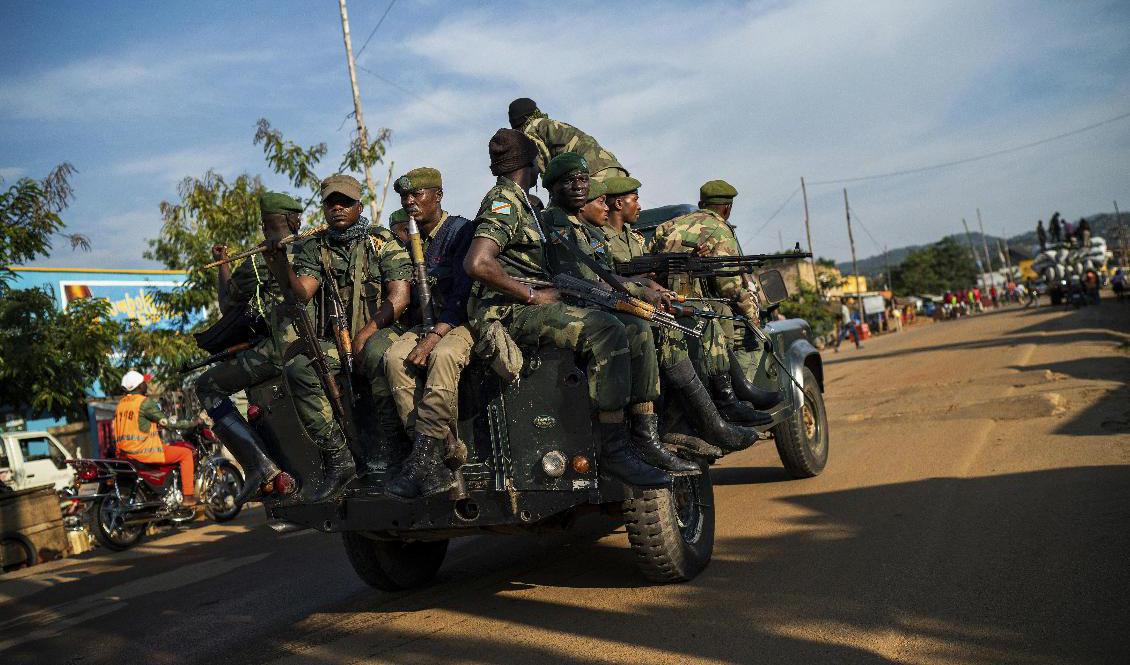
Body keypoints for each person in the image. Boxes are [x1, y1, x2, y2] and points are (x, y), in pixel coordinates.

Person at [463, 130, 671, 487]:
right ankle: (613, 451)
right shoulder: (504, 202)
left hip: (530, 303)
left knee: (634, 327)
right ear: (531, 163)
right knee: (605, 329)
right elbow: (478, 263)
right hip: (510, 311)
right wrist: (531, 294)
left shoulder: (523, 203)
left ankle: (641, 436)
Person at [538, 152, 703, 472]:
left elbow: (605, 276)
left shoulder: (579, 225)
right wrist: (638, 293)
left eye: (582, 180)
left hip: (593, 302)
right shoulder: (555, 223)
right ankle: (629, 437)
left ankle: (651, 428)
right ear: (552, 187)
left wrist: (644, 290)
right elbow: (576, 282)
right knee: (637, 330)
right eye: (569, 181)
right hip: (571, 307)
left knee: (655, 323)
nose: (579, 186)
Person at [264, 174, 413, 502]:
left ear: (359, 206)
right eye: (331, 202)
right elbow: (302, 292)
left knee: (376, 355)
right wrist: (280, 265)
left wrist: (366, 333)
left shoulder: (380, 241)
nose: (337, 208)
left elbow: (400, 297)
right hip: (338, 344)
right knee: (300, 368)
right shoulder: (315, 247)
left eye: (345, 202)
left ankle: (395, 453)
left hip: (384, 333)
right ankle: (339, 459)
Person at [194, 192, 303, 506]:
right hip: (323, 345)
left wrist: (224, 264)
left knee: (206, 385)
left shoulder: (258, 261)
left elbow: (228, 303)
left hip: (282, 350)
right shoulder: (316, 246)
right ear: (295, 220)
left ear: (264, 224)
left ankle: (259, 466)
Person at [380, 168, 477, 500]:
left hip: (460, 322)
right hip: (424, 324)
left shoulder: (461, 231)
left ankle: (422, 457)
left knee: (443, 355)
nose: (409, 202)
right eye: (404, 197)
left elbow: (464, 292)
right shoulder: (408, 239)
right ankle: (430, 454)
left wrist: (437, 335)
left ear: (438, 195)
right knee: (394, 357)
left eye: (416, 194)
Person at [651, 179, 782, 411]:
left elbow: (651, 262)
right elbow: (730, 287)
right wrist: (753, 317)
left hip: (662, 302)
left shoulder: (667, 226)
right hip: (693, 306)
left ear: (701, 203)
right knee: (750, 338)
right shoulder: (720, 229)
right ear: (727, 208)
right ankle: (738, 397)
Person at [114, 371, 200, 508]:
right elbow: (167, 423)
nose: (146, 384)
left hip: (125, 454)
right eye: (144, 382)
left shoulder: (121, 404)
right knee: (186, 453)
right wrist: (191, 423)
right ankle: (188, 496)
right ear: (139, 386)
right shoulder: (144, 403)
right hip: (144, 452)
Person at [507, 97, 629, 183]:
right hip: (612, 166)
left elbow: (543, 162)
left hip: (592, 172)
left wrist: (551, 188)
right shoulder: (549, 124)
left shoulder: (530, 129)